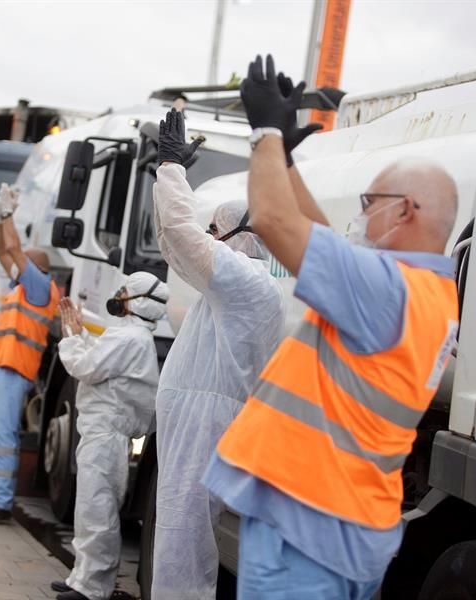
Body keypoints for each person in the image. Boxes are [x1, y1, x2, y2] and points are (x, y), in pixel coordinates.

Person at [203, 55, 461, 600]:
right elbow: (326, 240)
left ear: (404, 212)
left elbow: (274, 223)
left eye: (370, 203)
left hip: (306, 529)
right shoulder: (426, 293)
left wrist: (266, 133)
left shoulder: (383, 288)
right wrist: (288, 162)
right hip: (345, 526)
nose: (361, 214)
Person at [150, 108, 286, 599]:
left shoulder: (248, 283)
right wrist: (163, 179)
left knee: (183, 546)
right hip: (200, 415)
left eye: (215, 229)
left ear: (236, 234)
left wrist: (172, 171)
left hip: (209, 419)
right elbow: (176, 243)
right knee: (177, 539)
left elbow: (184, 238)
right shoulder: (234, 284)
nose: (208, 237)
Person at [50, 273, 169, 600]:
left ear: (137, 301)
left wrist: (72, 338)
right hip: (101, 432)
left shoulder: (130, 338)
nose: (118, 296)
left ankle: (92, 588)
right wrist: (81, 334)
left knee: (97, 509)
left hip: (106, 435)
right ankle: (83, 577)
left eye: (124, 292)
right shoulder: (129, 336)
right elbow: (101, 362)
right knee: (90, 507)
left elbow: (87, 367)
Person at [0, 183, 59, 525]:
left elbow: (14, 250)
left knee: (3, 435)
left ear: (36, 269)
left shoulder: (38, 287)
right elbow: (3, 252)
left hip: (14, 369)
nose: (14, 268)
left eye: (23, 265)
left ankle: (1, 502)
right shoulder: (25, 285)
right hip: (4, 367)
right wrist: (0, 220)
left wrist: (8, 216)